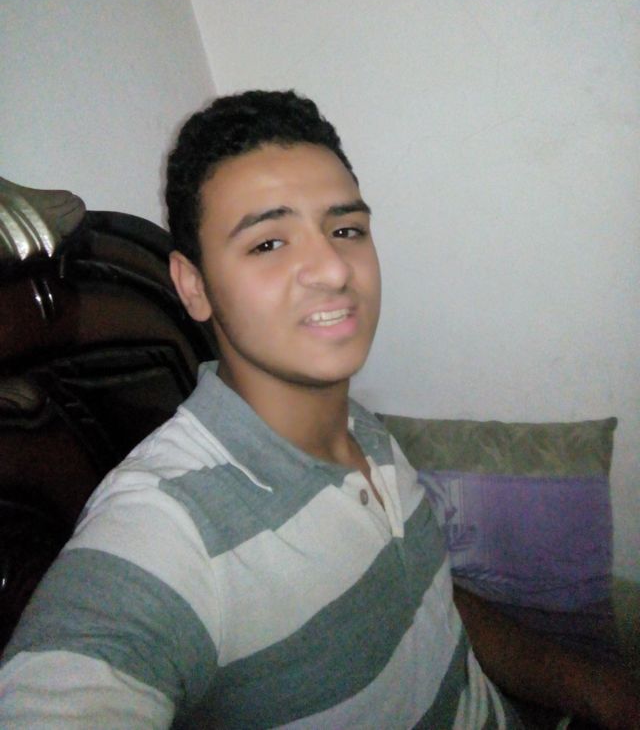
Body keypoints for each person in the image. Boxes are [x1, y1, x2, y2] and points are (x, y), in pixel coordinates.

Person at [0, 90, 637, 729]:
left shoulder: (363, 431)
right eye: (268, 243)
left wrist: (597, 691)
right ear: (193, 286)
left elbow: (427, 597)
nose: (333, 268)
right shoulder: (169, 526)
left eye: (345, 230)